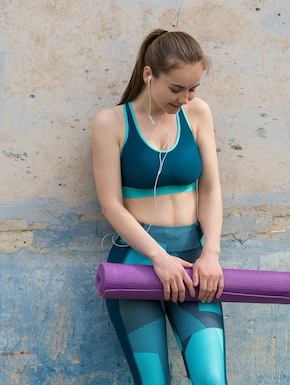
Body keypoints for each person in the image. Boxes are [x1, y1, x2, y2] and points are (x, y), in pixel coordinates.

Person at [92, 29, 228, 385]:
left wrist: (210, 253)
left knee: (212, 379)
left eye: (193, 88)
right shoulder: (111, 123)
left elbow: (210, 190)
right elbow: (112, 206)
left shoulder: (197, 113)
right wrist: (159, 257)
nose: (185, 98)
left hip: (195, 263)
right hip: (138, 263)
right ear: (149, 74)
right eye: (176, 88)